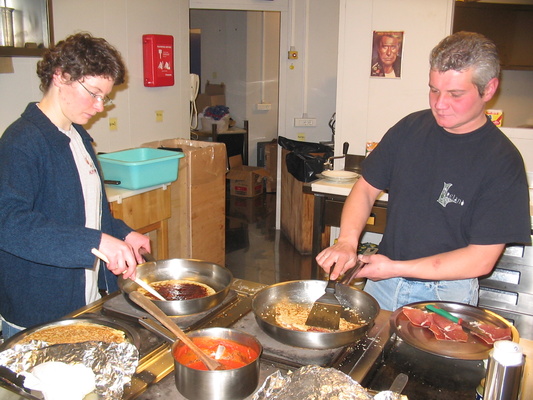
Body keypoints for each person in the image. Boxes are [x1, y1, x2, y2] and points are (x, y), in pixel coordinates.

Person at [317, 31, 531, 311]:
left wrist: (396, 268)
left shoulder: (502, 161)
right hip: (382, 283)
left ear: (488, 89)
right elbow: (366, 187)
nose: (439, 104)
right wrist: (347, 241)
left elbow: (481, 259)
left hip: (445, 293)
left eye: (455, 94)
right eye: (434, 89)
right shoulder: (410, 129)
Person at [0, 33, 151, 338]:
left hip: (85, 298)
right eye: (94, 93)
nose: (100, 106)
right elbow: (8, 223)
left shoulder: (77, 137)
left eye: (104, 97)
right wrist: (94, 242)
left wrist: (122, 233)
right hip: (39, 312)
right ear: (61, 76)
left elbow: (87, 214)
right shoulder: (21, 142)